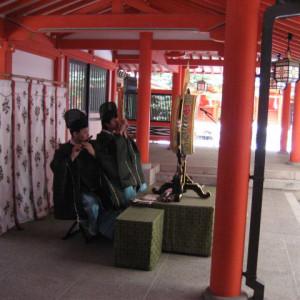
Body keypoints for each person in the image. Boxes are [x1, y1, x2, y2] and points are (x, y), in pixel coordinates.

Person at [50, 109, 116, 242]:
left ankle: (101, 228)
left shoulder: (91, 145)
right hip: (77, 191)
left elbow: (106, 161)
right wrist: (71, 157)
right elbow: (56, 168)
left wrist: (94, 154)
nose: (88, 134)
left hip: (95, 187)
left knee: (115, 200)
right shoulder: (63, 150)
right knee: (92, 206)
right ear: (75, 134)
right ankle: (93, 231)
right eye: (85, 132)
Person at [96, 102, 147, 209]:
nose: (117, 122)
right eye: (114, 121)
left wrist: (123, 134)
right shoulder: (102, 139)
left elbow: (131, 153)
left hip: (127, 177)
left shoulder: (115, 136)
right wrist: (120, 134)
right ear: (107, 124)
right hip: (117, 180)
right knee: (131, 202)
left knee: (142, 190)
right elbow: (115, 154)